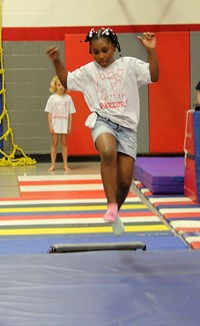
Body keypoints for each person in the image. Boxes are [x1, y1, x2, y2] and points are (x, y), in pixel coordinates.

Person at [46, 28, 159, 235]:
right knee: (107, 151)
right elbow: (67, 80)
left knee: (125, 182)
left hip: (128, 129)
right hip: (103, 122)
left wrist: (151, 51)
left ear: (114, 47)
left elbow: (154, 76)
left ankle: (115, 212)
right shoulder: (90, 71)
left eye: (105, 50)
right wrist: (56, 62)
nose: (101, 56)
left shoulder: (129, 65)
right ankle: (111, 206)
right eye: (96, 52)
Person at [44, 75, 76, 172]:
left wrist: (69, 126)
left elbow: (71, 114)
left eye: (63, 85)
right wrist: (50, 125)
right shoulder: (52, 98)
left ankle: (65, 165)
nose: (61, 87)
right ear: (55, 86)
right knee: (54, 143)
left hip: (64, 125)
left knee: (64, 144)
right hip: (55, 125)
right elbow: (49, 114)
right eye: (59, 85)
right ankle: (52, 164)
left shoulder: (68, 98)